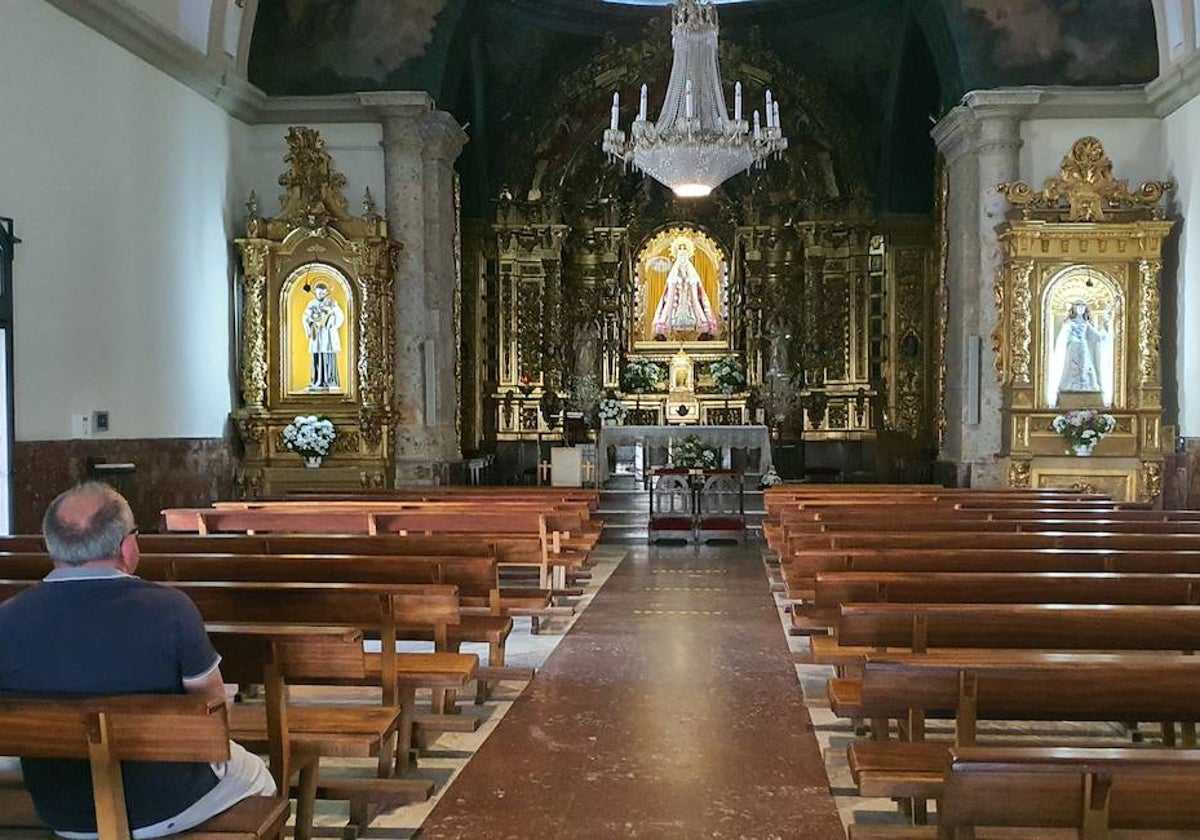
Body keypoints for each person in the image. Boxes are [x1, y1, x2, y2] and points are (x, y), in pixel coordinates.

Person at [0, 483, 275, 838]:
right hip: (165, 804)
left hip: (61, 808)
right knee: (262, 780)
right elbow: (214, 720)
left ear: (51, 544)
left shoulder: (8, 618)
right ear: (127, 546)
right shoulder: (170, 610)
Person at [650, 237, 720, 340]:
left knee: (695, 314)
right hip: (675, 304)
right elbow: (668, 294)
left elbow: (699, 293)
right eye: (680, 249)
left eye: (684, 249)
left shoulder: (693, 274)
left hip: (690, 303)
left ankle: (700, 328)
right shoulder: (673, 274)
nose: (682, 252)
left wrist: (689, 286)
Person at [1048, 300, 1110, 406]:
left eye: (1082, 306)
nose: (1080, 308)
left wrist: (1106, 329)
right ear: (1074, 308)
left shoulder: (1086, 324)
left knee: (1085, 367)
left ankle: (1085, 387)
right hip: (1073, 347)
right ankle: (1072, 387)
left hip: (1083, 347)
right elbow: (1063, 337)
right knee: (1072, 367)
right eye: (1078, 306)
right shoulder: (1069, 324)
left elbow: (1097, 336)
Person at [303, 282, 345, 390]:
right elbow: (305, 318)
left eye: (323, 292)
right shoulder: (311, 304)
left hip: (328, 333)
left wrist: (332, 313)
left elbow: (340, 317)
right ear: (315, 292)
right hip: (317, 334)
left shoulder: (332, 303)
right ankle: (317, 381)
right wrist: (312, 321)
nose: (321, 294)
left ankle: (330, 381)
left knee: (328, 355)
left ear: (326, 292)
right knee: (317, 356)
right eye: (319, 292)